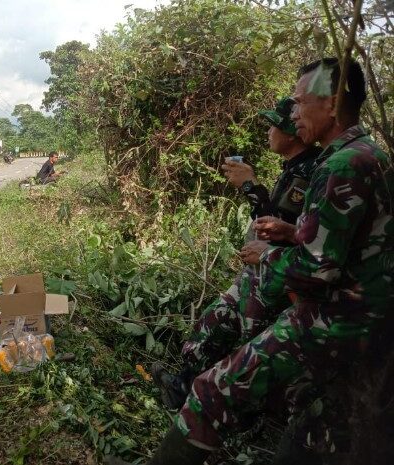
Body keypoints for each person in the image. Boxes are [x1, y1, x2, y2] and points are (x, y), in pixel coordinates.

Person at [107, 58, 394, 465]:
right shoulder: (372, 154)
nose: (292, 114)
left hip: (336, 320)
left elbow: (318, 269)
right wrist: (293, 233)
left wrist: (268, 254)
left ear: (331, 105)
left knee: (211, 392)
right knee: (318, 432)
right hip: (370, 325)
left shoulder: (341, 164)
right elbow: (359, 241)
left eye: (298, 103)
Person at [151, 97, 322, 409]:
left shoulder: (309, 172)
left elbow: (276, 231)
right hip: (259, 275)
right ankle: (182, 389)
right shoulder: (294, 167)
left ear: (292, 133)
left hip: (277, 282)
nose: (268, 131)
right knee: (212, 323)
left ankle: (228, 412)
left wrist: (251, 187)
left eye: (274, 125)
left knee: (249, 351)